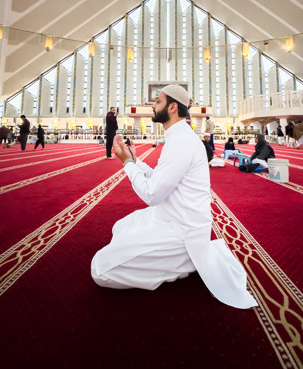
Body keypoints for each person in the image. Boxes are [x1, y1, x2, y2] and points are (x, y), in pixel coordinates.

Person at [91, 84, 257, 309]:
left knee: (100, 269)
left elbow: (152, 194)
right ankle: (181, 257)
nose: (152, 105)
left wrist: (127, 163)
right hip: (167, 216)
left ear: (171, 108)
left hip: (182, 229)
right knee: (121, 227)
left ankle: (188, 260)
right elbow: (161, 179)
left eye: (157, 101)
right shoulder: (178, 137)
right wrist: (136, 161)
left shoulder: (182, 142)